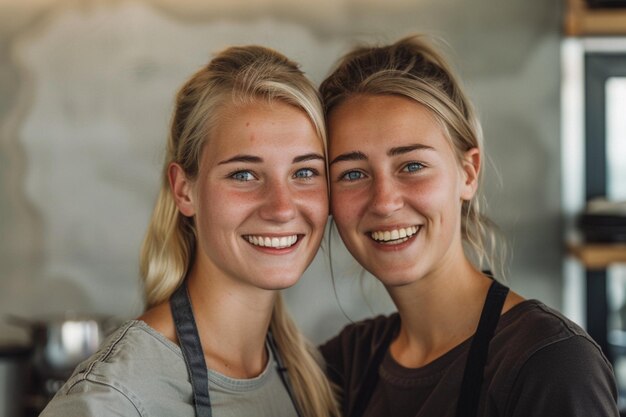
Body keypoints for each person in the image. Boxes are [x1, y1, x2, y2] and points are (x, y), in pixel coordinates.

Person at [318, 35, 620, 417]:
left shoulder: (549, 363)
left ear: (468, 172)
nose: (384, 201)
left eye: (412, 166)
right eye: (353, 173)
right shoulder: (347, 363)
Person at [40, 45, 340, 417]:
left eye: (305, 172)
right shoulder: (120, 396)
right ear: (184, 191)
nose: (281, 208)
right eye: (244, 174)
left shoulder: (304, 374)